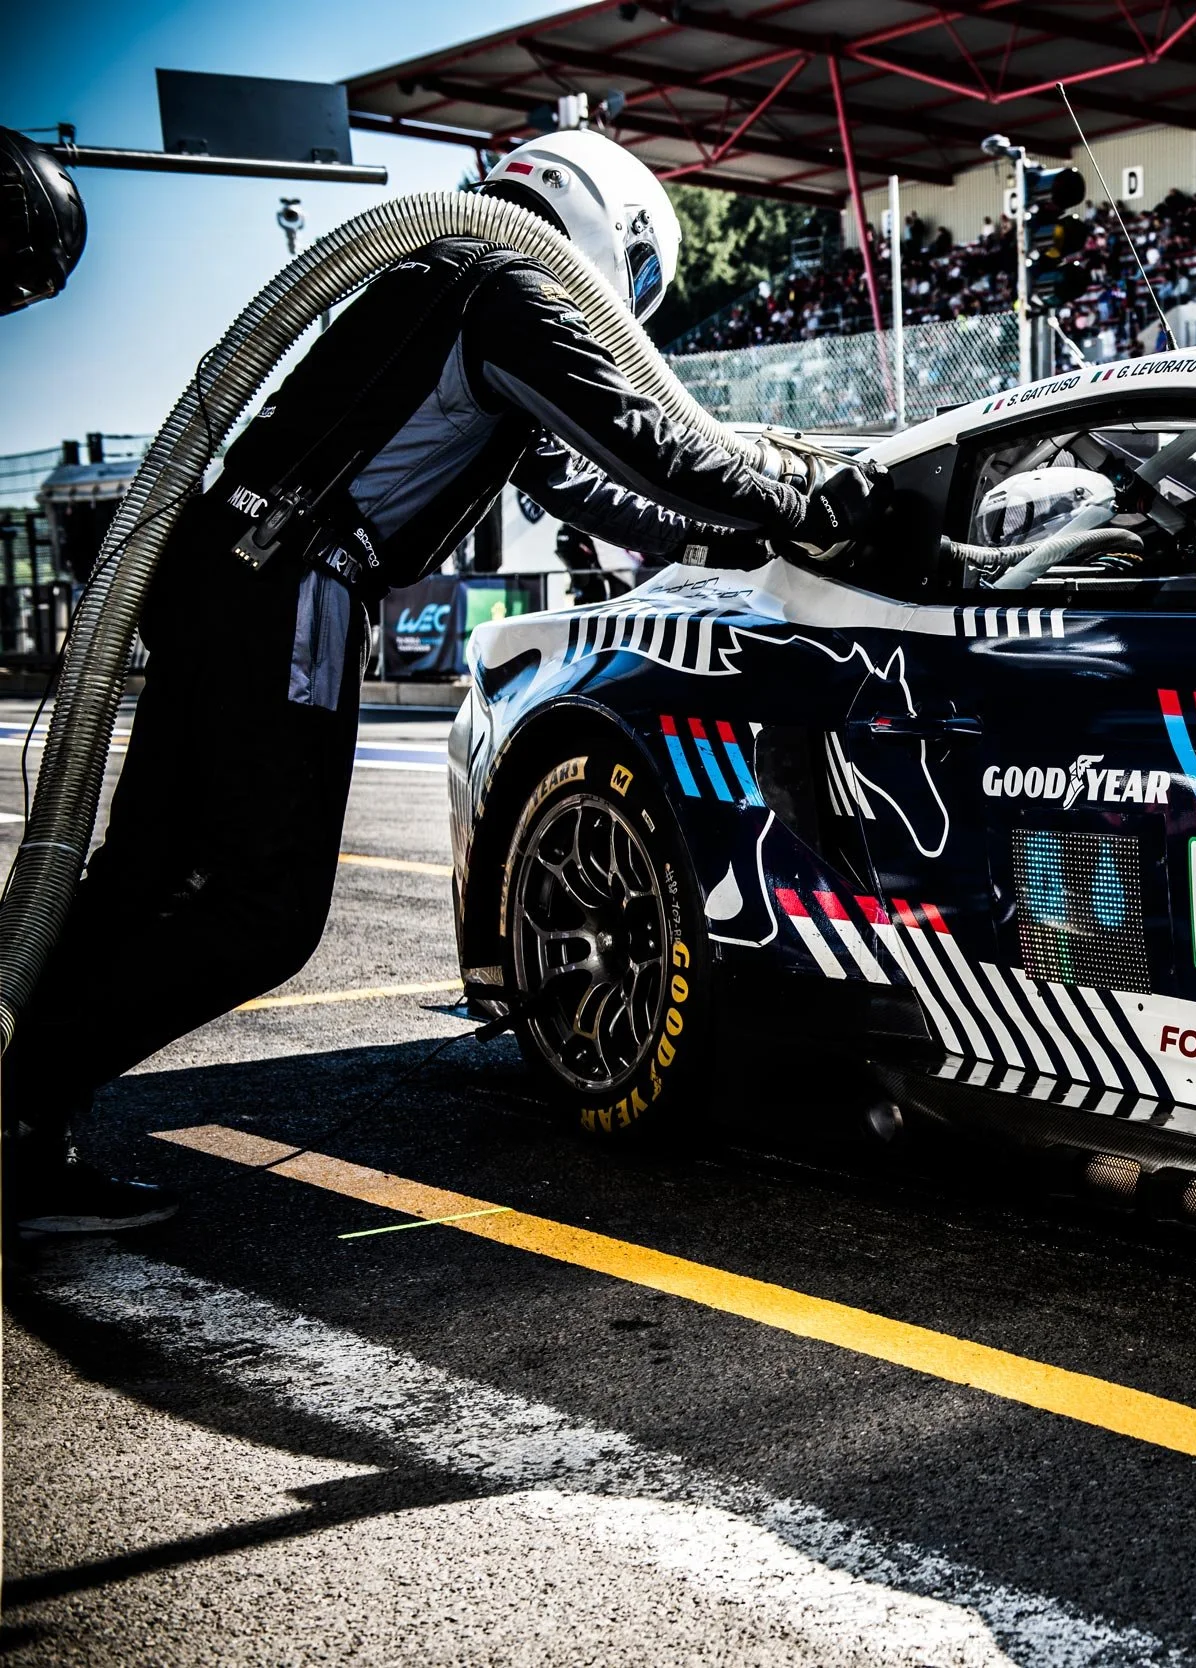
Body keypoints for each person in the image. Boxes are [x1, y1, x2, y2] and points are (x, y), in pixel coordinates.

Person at [0, 129, 884, 1234]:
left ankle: (23, 1126)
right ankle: (21, 1098)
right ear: (611, 226)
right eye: (643, 276)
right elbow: (650, 444)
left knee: (143, 872)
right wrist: (801, 502)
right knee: (262, 914)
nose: (633, 305)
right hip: (292, 585)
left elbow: (591, 487)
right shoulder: (509, 289)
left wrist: (735, 539)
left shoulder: (447, 285)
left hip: (228, 574)